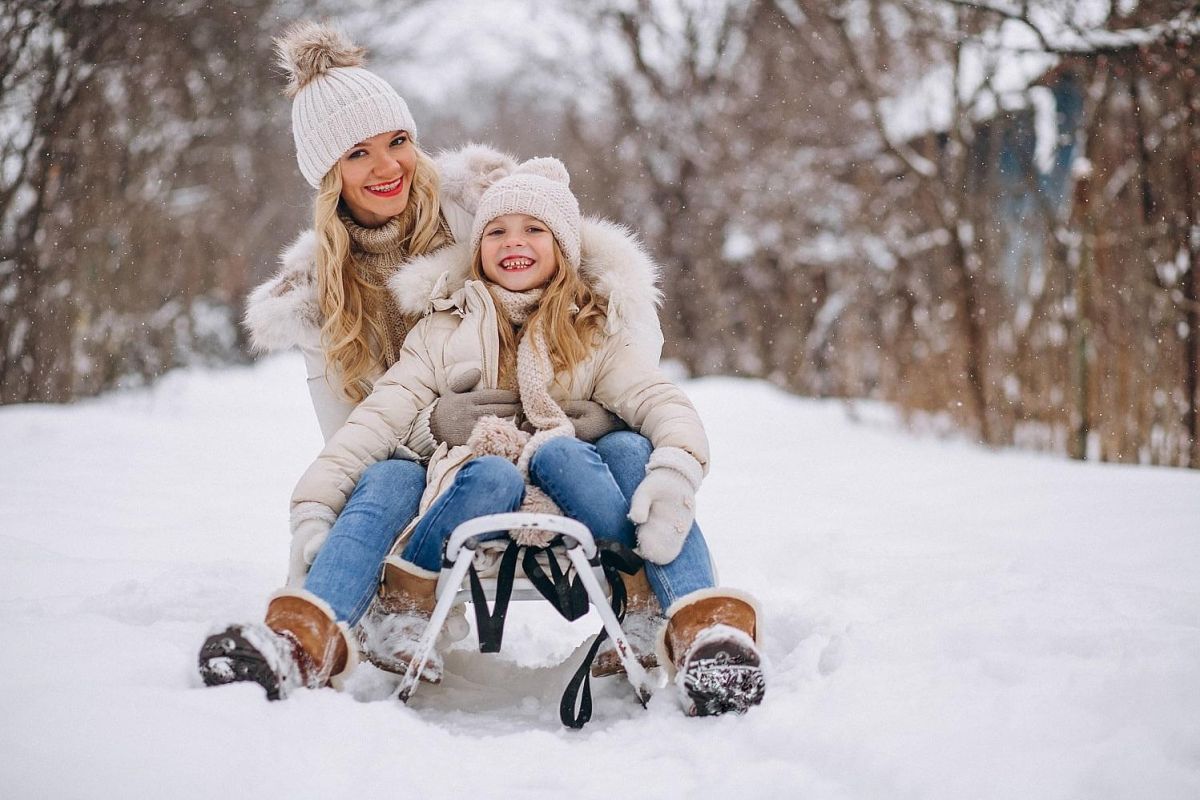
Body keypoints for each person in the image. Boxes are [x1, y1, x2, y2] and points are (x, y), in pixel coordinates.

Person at [210, 21, 665, 682]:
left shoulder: (483, 210)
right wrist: (428, 430)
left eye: (398, 141)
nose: (387, 166)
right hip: (415, 460)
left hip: (552, 432)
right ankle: (297, 640)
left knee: (631, 452)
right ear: (327, 174)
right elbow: (351, 436)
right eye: (358, 153)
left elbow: (611, 299)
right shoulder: (318, 296)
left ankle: (673, 616)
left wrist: (591, 409)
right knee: (386, 477)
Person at [275, 159, 766, 716]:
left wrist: (675, 470)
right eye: (497, 230)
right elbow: (375, 420)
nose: (515, 242)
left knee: (625, 446)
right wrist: (315, 507)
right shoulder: (443, 328)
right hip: (469, 491)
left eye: (535, 229)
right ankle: (300, 640)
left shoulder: (592, 327)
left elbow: (660, 401)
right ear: (477, 246)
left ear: (564, 246)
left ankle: (705, 634)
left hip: (582, 496)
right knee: (417, 472)